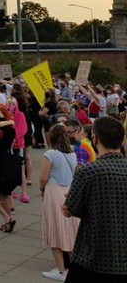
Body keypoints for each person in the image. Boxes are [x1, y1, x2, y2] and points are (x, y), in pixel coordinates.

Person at [63, 116, 127, 281]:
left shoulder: (89, 171)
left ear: (95, 138)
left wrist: (71, 206)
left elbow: (70, 207)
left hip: (94, 254)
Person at [38, 124, 79, 281]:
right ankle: (74, 269)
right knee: (70, 231)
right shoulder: (72, 154)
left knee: (54, 230)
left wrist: (42, 188)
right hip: (68, 191)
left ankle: (61, 271)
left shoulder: (51, 154)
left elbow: (42, 177)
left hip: (54, 191)